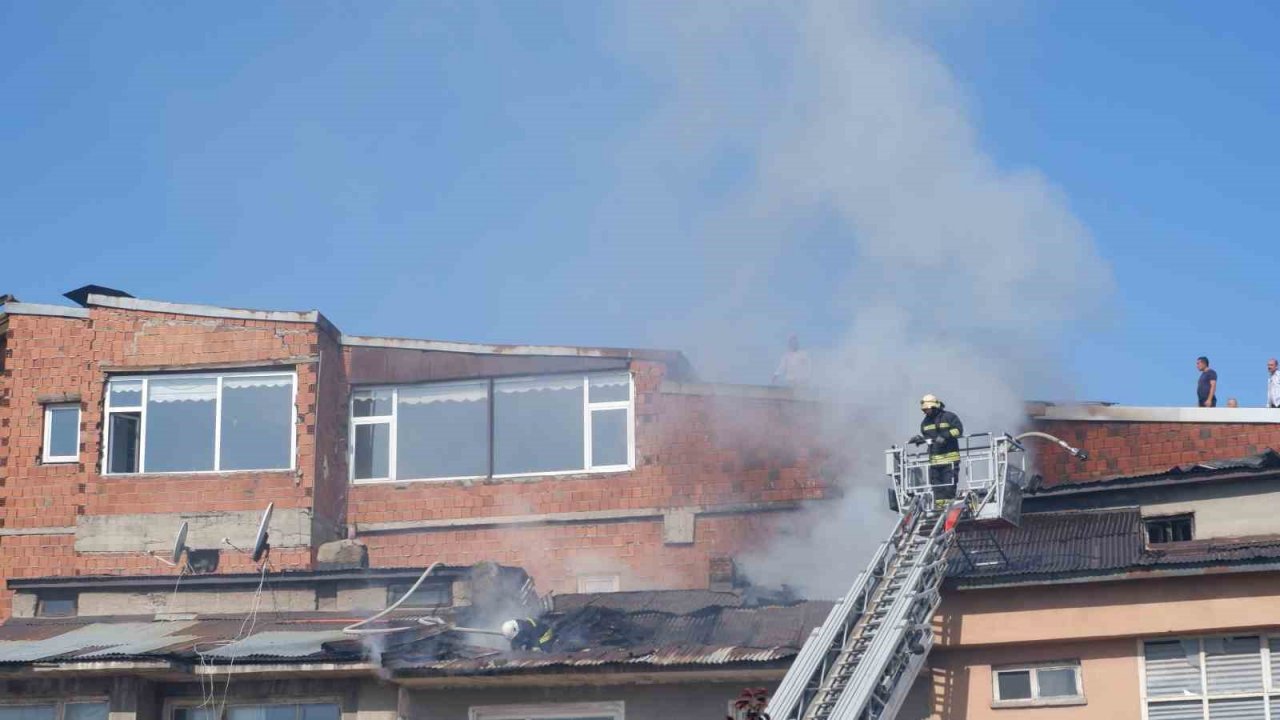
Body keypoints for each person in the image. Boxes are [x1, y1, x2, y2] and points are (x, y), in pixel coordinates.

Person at [910, 394, 963, 502]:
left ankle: (948, 509)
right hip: (934, 462)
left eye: (927, 409)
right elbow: (929, 438)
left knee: (949, 488)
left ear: (934, 407)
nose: (925, 412)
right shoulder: (925, 423)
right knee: (937, 490)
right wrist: (920, 439)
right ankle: (939, 510)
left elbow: (958, 430)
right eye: (924, 410)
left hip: (950, 460)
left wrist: (945, 436)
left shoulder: (949, 417)